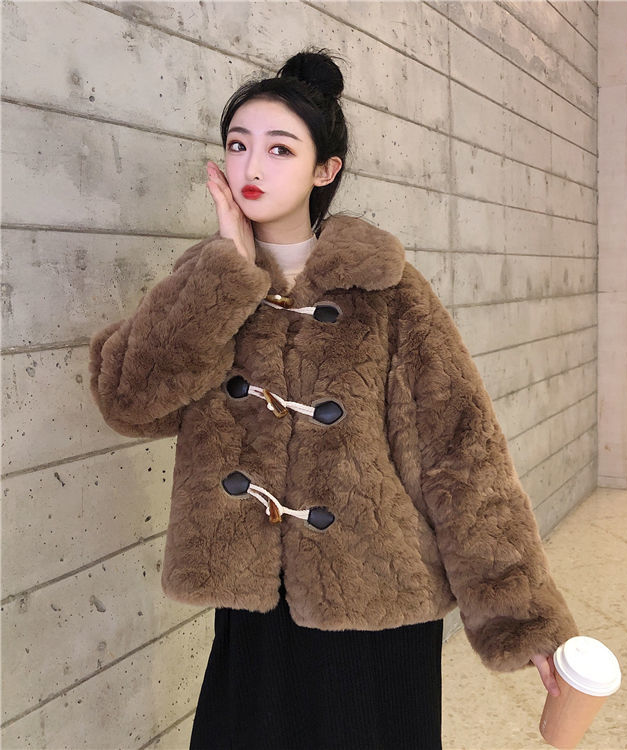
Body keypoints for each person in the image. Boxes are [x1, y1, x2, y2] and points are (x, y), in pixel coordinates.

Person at [88, 48, 578, 750]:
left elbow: (462, 455)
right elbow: (128, 401)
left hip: (377, 604)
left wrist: (522, 616)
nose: (252, 167)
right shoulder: (208, 284)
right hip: (254, 609)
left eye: (280, 149)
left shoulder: (389, 291)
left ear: (325, 170)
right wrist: (226, 271)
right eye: (238, 145)